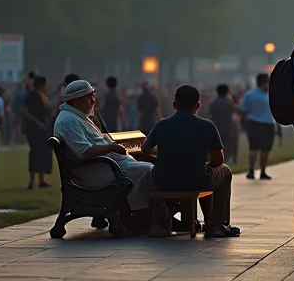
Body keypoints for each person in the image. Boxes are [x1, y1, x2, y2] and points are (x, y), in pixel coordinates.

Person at [143, 84, 240, 238]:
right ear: (198, 106)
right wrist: (205, 165)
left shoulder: (161, 125)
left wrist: (161, 156)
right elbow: (218, 159)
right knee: (225, 172)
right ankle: (217, 224)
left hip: (163, 180)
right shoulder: (207, 126)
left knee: (172, 172)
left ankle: (161, 222)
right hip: (196, 179)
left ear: (174, 105)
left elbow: (144, 150)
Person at [53, 80, 154, 215]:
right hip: (97, 171)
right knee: (148, 170)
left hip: (104, 166)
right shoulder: (69, 121)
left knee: (151, 167)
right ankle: (140, 213)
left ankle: (143, 212)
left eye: (93, 97)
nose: (93, 101)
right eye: (89, 98)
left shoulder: (76, 117)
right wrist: (112, 148)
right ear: (76, 100)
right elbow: (85, 151)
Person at [238, 73, 276, 179]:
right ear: (262, 83)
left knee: (265, 149)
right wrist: (243, 123)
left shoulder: (251, 95)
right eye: (267, 82)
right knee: (254, 148)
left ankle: (262, 171)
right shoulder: (255, 95)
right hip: (256, 124)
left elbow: (242, 110)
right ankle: (252, 171)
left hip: (266, 124)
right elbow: (243, 111)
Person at [19, 74, 53, 188]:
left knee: (42, 153)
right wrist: (37, 122)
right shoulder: (32, 96)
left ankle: (41, 180)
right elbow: (24, 110)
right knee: (35, 152)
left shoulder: (43, 95)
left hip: (43, 128)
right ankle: (32, 181)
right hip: (35, 128)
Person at [208, 84, 237, 164]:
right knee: (228, 144)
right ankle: (227, 159)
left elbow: (210, 113)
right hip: (228, 127)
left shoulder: (213, 103)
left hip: (216, 126)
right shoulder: (229, 103)